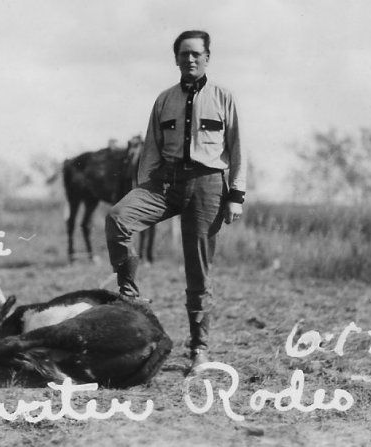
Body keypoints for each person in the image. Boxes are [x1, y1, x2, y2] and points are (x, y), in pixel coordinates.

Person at [105, 30, 246, 372]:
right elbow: (152, 148)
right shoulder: (164, 99)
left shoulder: (223, 97)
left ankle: (199, 348)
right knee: (118, 217)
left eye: (197, 54)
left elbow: (238, 149)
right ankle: (129, 293)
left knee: (197, 270)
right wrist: (143, 188)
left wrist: (236, 195)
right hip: (166, 183)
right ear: (176, 59)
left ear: (207, 57)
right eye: (184, 54)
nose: (190, 59)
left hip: (208, 185)